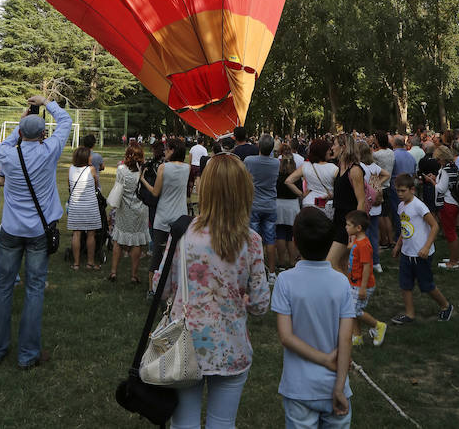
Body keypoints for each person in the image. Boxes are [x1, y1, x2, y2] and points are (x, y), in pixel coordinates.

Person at [156, 152, 270, 428]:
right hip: (230, 347)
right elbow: (260, 304)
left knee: (184, 423)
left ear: (204, 188)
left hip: (186, 345)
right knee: (222, 423)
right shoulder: (251, 240)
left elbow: (160, 288)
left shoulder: (182, 232)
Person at [0, 95, 71, 368]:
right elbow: (66, 121)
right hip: (38, 231)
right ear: (44, 134)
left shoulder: (6, 153)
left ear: (21, 131)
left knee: (2, 288)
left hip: (11, 229)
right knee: (34, 290)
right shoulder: (50, 151)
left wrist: (21, 124)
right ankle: (27, 355)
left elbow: (11, 140)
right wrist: (47, 102)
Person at [272, 207, 354, 427]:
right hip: (335, 385)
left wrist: (323, 360)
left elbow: (286, 337)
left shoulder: (285, 281)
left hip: (299, 387)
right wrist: (339, 386)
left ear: (295, 241)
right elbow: (346, 339)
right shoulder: (341, 282)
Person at [390, 173, 453, 324]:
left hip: (421, 254)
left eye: (403, 191)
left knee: (426, 285)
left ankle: (446, 306)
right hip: (407, 253)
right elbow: (404, 228)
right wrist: (398, 245)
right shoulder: (400, 206)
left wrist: (426, 247)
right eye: (397, 191)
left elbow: (435, 226)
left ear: (412, 189)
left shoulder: (419, 206)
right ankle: (409, 314)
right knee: (405, 284)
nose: (399, 194)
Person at [139, 136, 190, 298]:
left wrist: (142, 179)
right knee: (177, 254)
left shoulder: (163, 167)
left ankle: (152, 290)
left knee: (157, 254)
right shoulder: (187, 168)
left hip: (163, 215)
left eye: (167, 149)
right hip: (180, 216)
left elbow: (155, 192)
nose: (164, 152)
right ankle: (176, 287)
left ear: (173, 150)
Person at [345, 210, 387, 347]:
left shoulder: (364, 245)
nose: (346, 227)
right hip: (354, 282)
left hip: (363, 285)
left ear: (358, 228)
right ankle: (357, 336)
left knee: (354, 310)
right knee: (352, 310)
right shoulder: (358, 240)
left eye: (348, 225)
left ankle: (378, 326)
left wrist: (363, 287)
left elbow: (367, 266)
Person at [108, 143, 149, 283]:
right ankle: (134, 275)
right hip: (140, 209)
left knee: (118, 240)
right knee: (137, 242)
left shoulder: (121, 170)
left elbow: (118, 187)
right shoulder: (143, 172)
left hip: (124, 208)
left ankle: (113, 272)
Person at [245, 133, 282, 283]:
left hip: (254, 205)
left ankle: (252, 271)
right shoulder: (276, 163)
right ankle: (272, 273)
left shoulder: (249, 161)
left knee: (253, 240)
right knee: (270, 239)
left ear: (258, 146)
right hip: (270, 205)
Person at [327, 134, 365, 273]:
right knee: (342, 264)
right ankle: (348, 293)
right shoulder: (339, 169)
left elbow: (361, 200)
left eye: (335, 144)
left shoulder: (355, 170)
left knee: (330, 262)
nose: (332, 147)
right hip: (338, 218)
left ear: (343, 147)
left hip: (349, 222)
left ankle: (347, 292)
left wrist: (355, 229)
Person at [423, 145, 459, 270]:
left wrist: (432, 181)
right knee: (452, 232)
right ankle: (456, 257)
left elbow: (441, 188)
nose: (437, 161)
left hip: (447, 203)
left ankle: (453, 261)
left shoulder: (445, 170)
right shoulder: (452, 167)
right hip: (454, 202)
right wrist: (436, 178)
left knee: (450, 233)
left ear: (442, 158)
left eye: (438, 159)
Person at [66, 146, 101, 271]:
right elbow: (96, 184)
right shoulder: (91, 169)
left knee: (76, 234)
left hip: (75, 206)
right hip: (90, 206)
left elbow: (69, 186)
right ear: (85, 157)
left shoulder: (70, 169)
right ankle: (90, 263)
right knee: (91, 234)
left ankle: (76, 263)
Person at [358, 141, 389, 273]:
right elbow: (386, 174)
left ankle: (366, 262)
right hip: (376, 206)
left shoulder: (360, 167)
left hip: (366, 204)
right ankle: (376, 262)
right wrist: (377, 184)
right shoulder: (374, 166)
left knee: (365, 236)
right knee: (374, 235)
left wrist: (368, 187)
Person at [286, 138, 337, 217]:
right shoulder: (333, 168)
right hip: (326, 204)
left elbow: (288, 181)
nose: (330, 152)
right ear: (323, 152)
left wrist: (301, 194)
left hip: (308, 203)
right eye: (328, 150)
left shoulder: (306, 166)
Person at [275, 152, 301, 272]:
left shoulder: (277, 176)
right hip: (292, 205)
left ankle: (281, 262)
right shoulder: (296, 177)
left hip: (279, 205)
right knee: (291, 235)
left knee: (280, 233)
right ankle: (292, 260)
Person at [390, 136, 417, 240]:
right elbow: (414, 173)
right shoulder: (410, 156)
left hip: (397, 188)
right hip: (409, 188)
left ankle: (399, 236)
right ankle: (409, 232)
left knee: (398, 212)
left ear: (395, 144)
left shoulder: (393, 155)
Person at [372, 131, 395, 247]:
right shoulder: (391, 152)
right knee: (386, 215)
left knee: (381, 215)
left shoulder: (376, 155)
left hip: (379, 185)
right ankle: (390, 239)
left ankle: (384, 239)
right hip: (388, 185)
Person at [417, 142, 439, 213]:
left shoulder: (423, 160)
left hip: (427, 185)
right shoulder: (437, 160)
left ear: (425, 149)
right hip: (437, 184)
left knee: (429, 206)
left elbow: (420, 172)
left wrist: (421, 177)